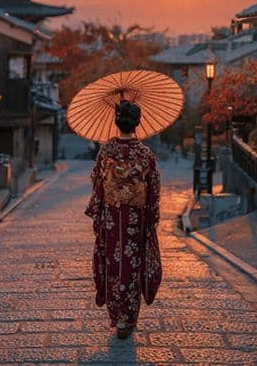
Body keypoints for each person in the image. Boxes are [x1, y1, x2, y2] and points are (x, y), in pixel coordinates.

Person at [85, 100, 162, 339]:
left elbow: (97, 182)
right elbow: (153, 190)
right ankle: (128, 317)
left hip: (111, 215)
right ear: (138, 122)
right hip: (135, 219)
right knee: (132, 264)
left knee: (112, 263)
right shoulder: (145, 154)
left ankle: (116, 315)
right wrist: (150, 216)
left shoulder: (106, 151)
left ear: (116, 122)